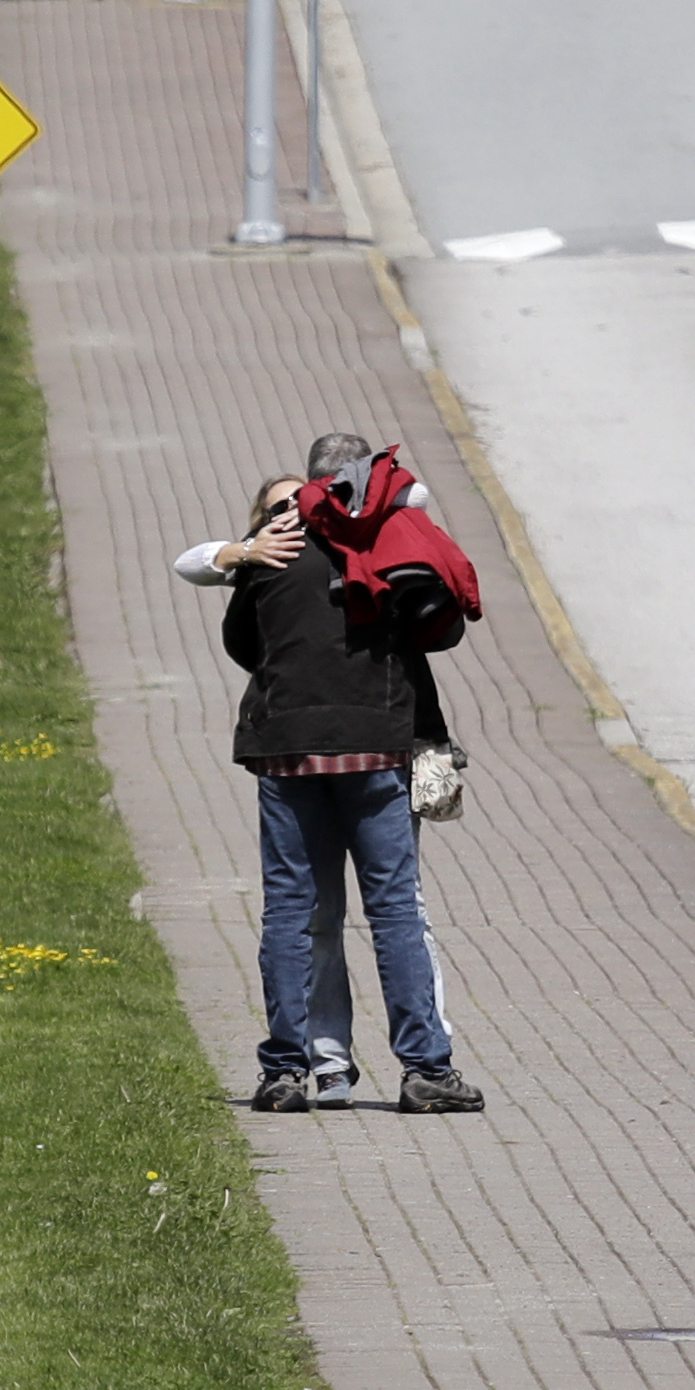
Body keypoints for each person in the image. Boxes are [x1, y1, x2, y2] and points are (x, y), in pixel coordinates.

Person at [176, 440, 484, 1114]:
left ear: (312, 481)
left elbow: (242, 645)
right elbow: (439, 629)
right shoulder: (391, 541)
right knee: (395, 910)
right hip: (376, 748)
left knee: (292, 909)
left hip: (287, 752)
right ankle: (426, 1068)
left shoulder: (273, 547)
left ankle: (286, 1070)